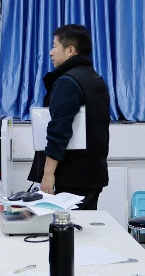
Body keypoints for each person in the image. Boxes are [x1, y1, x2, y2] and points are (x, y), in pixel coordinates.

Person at [27, 24, 111, 210]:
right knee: (84, 224)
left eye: (55, 46)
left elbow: (59, 130)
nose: (51, 52)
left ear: (71, 50)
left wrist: (48, 173)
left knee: (66, 227)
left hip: (70, 176)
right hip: (92, 173)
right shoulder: (95, 78)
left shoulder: (68, 82)